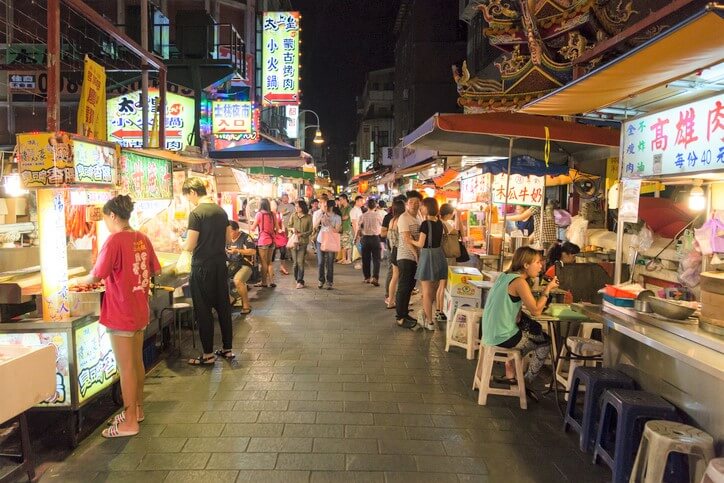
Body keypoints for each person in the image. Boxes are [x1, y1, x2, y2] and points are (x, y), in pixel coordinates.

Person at [71, 195, 160, 438]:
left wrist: (74, 281)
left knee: (126, 367)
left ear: (112, 216)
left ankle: (130, 422)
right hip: (140, 309)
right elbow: (153, 269)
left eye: (105, 219)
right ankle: (137, 410)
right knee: (136, 363)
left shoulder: (114, 240)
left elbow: (97, 275)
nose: (106, 224)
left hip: (121, 311)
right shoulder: (142, 238)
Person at [481, 246, 557, 399]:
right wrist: (547, 289)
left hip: (490, 332)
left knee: (532, 331)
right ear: (526, 265)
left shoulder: (505, 276)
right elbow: (536, 310)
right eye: (537, 262)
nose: (541, 266)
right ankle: (526, 381)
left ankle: (512, 368)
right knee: (545, 342)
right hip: (503, 336)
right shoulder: (519, 282)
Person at [181, 177, 236, 365]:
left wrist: (181, 243)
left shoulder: (196, 213)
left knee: (203, 310)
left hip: (202, 267)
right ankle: (227, 350)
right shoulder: (221, 211)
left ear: (193, 192)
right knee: (223, 307)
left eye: (188, 196)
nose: (190, 200)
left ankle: (208, 355)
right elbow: (229, 239)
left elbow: (190, 245)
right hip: (220, 265)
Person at [410, 198, 448, 330]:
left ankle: (430, 322)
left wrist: (409, 240)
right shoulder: (440, 223)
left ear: (428, 208)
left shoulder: (425, 224)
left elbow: (420, 244)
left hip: (428, 256)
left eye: (422, 206)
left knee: (426, 292)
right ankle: (427, 317)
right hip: (439, 256)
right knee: (432, 290)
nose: (421, 208)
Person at [395, 191, 423, 329]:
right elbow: (406, 239)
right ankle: (400, 317)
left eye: (417, 202)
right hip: (406, 256)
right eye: (411, 202)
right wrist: (416, 255)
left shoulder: (418, 216)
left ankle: (405, 313)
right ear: (407, 204)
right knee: (404, 286)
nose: (414, 204)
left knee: (410, 286)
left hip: (414, 256)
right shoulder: (404, 218)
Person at [226, 221, 255, 315]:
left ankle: (246, 305)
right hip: (230, 265)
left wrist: (237, 251)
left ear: (237, 230)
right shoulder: (226, 239)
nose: (229, 234)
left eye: (231, 231)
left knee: (238, 280)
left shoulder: (246, 237)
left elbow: (253, 251)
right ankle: (231, 300)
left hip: (244, 265)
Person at [436, 203, 458, 323]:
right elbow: (459, 232)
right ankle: (440, 311)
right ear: (449, 214)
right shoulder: (446, 224)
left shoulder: (437, 222)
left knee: (440, 285)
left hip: (439, 256)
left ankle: (438, 310)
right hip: (446, 256)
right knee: (443, 285)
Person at [250, 198, 279, 288]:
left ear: (260, 205)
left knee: (263, 263)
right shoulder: (273, 214)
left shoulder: (259, 214)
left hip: (263, 240)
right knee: (269, 262)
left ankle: (264, 282)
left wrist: (253, 225)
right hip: (272, 240)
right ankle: (271, 281)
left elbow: (253, 228)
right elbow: (277, 228)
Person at [315, 199, 341, 289]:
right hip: (320, 240)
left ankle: (329, 281)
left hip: (331, 241)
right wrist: (320, 218)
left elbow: (337, 230)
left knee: (330, 262)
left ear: (331, 207)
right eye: (324, 206)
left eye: (326, 206)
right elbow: (314, 226)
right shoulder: (322, 215)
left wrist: (329, 223)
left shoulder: (337, 217)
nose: (324, 207)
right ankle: (321, 280)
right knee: (320, 262)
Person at [384, 199, 406, 309]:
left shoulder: (392, 220)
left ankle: (391, 301)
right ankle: (399, 301)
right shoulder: (401, 220)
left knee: (394, 276)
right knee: (401, 278)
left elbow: (388, 237)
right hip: (400, 251)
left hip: (393, 251)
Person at [288, 199, 313, 288]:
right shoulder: (293, 215)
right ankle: (296, 278)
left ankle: (300, 281)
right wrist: (292, 230)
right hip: (294, 241)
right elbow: (288, 226)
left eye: (298, 206)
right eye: (295, 206)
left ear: (302, 207)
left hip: (303, 242)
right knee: (295, 263)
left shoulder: (308, 217)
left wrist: (301, 234)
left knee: (300, 262)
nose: (296, 208)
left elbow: (310, 230)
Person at [358, 198, 383, 286]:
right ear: (375, 205)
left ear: (366, 206)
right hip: (375, 238)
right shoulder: (378, 215)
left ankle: (367, 278)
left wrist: (356, 238)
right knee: (376, 259)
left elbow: (359, 228)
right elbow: (382, 225)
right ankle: (375, 277)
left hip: (365, 238)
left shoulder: (363, 215)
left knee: (365, 259)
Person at [338, 194, 352, 264]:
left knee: (347, 244)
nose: (340, 201)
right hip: (341, 228)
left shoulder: (349, 208)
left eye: (341, 199)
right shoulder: (341, 208)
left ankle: (348, 259)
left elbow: (346, 217)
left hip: (347, 228)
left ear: (345, 199)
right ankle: (343, 258)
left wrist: (338, 219)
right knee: (343, 244)